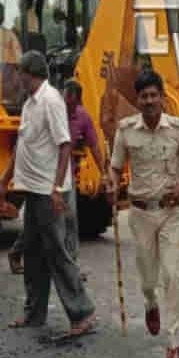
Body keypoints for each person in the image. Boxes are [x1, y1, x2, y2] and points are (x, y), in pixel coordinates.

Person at [0, 52, 96, 335]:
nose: (16, 78)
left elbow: (65, 144)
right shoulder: (29, 104)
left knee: (58, 253)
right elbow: (21, 146)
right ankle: (34, 314)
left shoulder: (51, 101)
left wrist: (55, 188)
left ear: (29, 73)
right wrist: (4, 179)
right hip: (33, 189)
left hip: (48, 191)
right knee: (34, 255)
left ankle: (82, 313)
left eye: (19, 73)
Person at [109, 72, 179, 358]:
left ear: (162, 97)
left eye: (153, 95)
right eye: (143, 96)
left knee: (172, 274)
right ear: (137, 101)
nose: (149, 101)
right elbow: (114, 167)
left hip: (171, 212)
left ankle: (173, 342)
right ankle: (150, 303)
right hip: (140, 214)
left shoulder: (178, 129)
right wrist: (111, 184)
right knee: (149, 278)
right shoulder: (125, 131)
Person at [62, 80, 106, 261]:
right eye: (65, 101)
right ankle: (18, 251)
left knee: (70, 217)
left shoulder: (83, 117)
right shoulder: (54, 111)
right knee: (41, 219)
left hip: (67, 175)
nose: (67, 106)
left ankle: (72, 262)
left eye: (71, 103)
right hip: (46, 173)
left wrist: (104, 172)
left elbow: (95, 146)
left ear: (77, 100)